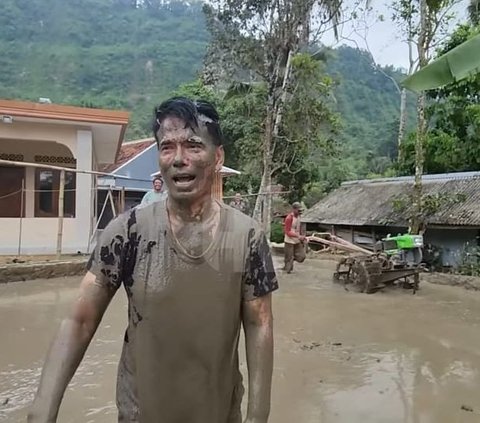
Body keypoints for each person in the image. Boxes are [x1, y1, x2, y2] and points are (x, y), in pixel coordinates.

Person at [28, 97, 278, 423]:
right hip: (139, 413)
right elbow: (80, 321)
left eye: (193, 146)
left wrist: (258, 416)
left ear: (218, 157)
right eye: (167, 147)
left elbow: (260, 324)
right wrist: (41, 411)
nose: (179, 159)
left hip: (219, 412)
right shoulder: (127, 233)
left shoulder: (248, 238)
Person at [283, 202, 306, 273]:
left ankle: (290, 258)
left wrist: (303, 237)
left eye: (300, 210)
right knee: (289, 268)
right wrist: (298, 236)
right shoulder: (289, 218)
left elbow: (299, 228)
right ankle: (288, 265)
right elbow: (287, 231)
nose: (300, 212)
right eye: (298, 210)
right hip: (289, 241)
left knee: (302, 257)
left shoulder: (299, 217)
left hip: (297, 240)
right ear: (294, 209)